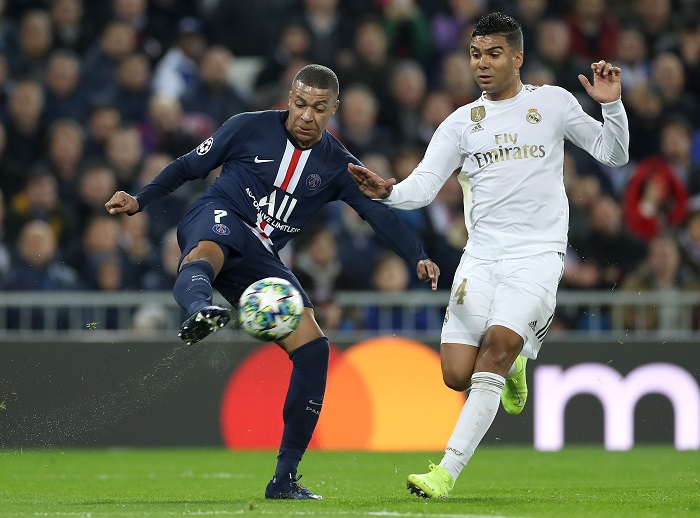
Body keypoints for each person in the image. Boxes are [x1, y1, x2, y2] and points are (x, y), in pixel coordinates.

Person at [105, 64, 439, 500]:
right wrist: (139, 199)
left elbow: (377, 214)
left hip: (262, 255)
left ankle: (284, 478)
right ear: (289, 98)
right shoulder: (247, 128)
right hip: (219, 212)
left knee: (315, 349)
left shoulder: (339, 164)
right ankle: (199, 310)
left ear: (334, 110)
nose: (306, 115)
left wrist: (418, 255)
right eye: (300, 104)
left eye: (319, 109)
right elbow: (189, 166)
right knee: (208, 249)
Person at [348, 12, 629, 498]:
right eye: (476, 54)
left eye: (494, 54)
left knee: (495, 349)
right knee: (457, 373)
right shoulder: (460, 124)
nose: (482, 63)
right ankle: (516, 365)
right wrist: (387, 192)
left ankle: (445, 472)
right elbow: (422, 187)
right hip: (479, 258)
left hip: (537, 256)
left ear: (517, 57)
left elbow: (614, 154)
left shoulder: (553, 103)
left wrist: (613, 107)